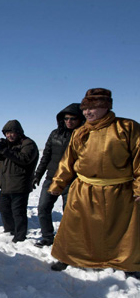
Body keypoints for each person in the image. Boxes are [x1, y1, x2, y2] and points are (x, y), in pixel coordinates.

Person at [48, 88, 140, 277]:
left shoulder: (127, 127)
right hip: (84, 189)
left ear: (107, 107)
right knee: (74, 227)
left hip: (119, 191)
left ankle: (128, 264)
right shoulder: (80, 132)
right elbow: (68, 161)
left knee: (122, 231)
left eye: (93, 108)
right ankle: (67, 257)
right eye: (85, 109)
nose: (87, 113)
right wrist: (57, 184)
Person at [33, 104, 85, 247]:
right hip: (52, 178)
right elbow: (46, 156)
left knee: (69, 212)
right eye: (66, 118)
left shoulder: (84, 136)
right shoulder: (55, 134)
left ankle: (68, 240)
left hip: (72, 180)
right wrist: (38, 174)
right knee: (43, 208)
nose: (69, 121)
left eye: (73, 118)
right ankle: (47, 236)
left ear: (80, 119)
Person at [0, 120, 39, 243]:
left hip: (20, 183)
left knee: (18, 212)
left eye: (12, 133)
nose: (9, 136)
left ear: (18, 132)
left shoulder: (28, 144)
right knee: (4, 208)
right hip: (5, 183)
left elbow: (24, 159)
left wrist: (5, 150)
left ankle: (20, 236)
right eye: (7, 133)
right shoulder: (8, 144)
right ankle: (10, 230)